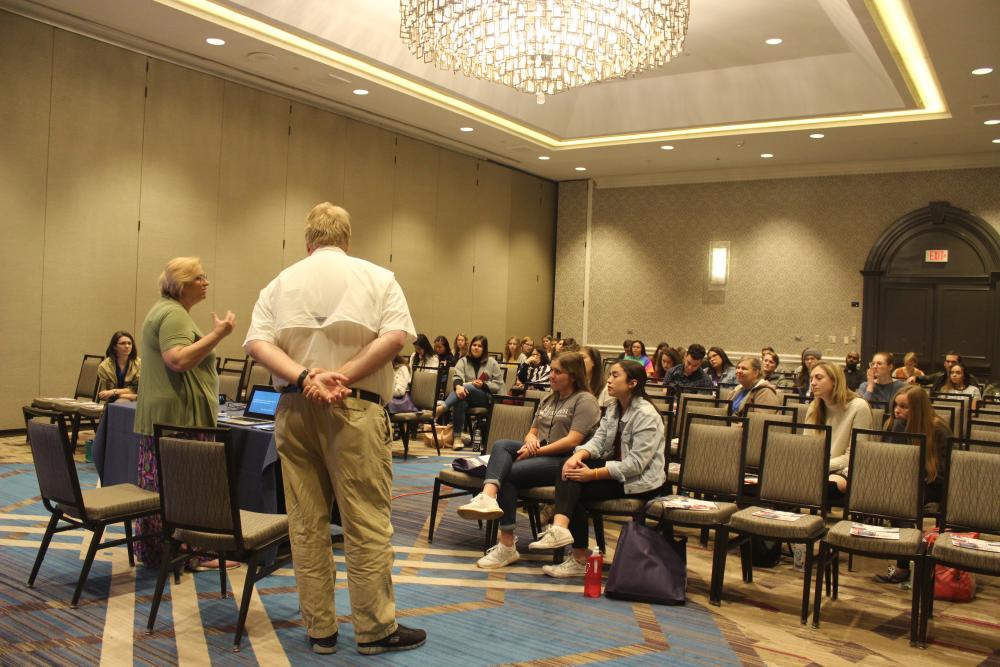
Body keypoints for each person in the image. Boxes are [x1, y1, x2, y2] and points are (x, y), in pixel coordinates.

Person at [244, 202, 425, 655]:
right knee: (365, 522)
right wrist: (341, 376)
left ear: (308, 242)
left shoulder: (279, 282)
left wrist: (306, 377)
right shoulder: (378, 277)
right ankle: (374, 630)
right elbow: (396, 337)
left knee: (306, 524)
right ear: (347, 240)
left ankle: (320, 630)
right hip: (355, 409)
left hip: (293, 408)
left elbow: (256, 343)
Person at [133, 257, 236, 570]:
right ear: (181, 284)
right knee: (187, 488)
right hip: (180, 418)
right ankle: (191, 552)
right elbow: (177, 360)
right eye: (199, 278)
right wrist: (218, 334)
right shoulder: (174, 314)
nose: (206, 283)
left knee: (162, 489)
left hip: (169, 415)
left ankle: (163, 551)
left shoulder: (165, 310)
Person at [456, 352, 601, 568]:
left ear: (572, 375)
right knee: (502, 444)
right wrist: (531, 439)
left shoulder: (585, 400)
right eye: (551, 370)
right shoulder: (548, 398)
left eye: (557, 372)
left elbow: (572, 441)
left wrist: (536, 452)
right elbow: (532, 431)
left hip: (566, 460)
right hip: (541, 452)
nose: (551, 375)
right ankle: (487, 495)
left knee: (510, 474)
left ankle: (506, 546)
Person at [527, 360, 666, 577]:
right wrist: (579, 455)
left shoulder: (646, 415)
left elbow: (636, 464)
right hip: (616, 470)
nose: (608, 380)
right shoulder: (613, 408)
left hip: (639, 481)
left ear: (632, 383)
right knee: (569, 469)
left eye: (615, 376)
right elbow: (599, 441)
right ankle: (564, 534)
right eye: (609, 375)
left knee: (576, 488)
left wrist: (592, 474)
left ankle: (576, 553)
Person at [875, 385, 951, 585]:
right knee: (896, 497)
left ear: (917, 409)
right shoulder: (896, 424)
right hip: (905, 482)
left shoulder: (938, 429)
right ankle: (906, 558)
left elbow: (944, 473)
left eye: (904, 407)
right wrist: (897, 428)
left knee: (900, 501)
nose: (897, 411)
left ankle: (903, 566)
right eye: (895, 406)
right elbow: (890, 459)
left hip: (934, 484)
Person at [806, 361, 873, 494]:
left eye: (818, 378)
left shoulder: (859, 407)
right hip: (817, 466)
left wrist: (818, 466)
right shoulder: (815, 406)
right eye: (811, 378)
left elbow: (855, 455)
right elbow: (807, 445)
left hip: (847, 468)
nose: (813, 383)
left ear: (835, 381)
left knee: (825, 485)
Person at [436, 335, 504, 449]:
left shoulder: (492, 362)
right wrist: (458, 387)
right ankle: (457, 438)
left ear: (484, 349)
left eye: (480, 346)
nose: (476, 348)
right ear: (470, 346)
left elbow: (498, 384)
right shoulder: (463, 361)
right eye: (474, 345)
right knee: (460, 400)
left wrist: (484, 385)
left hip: (484, 398)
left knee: (469, 387)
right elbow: (457, 376)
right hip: (464, 396)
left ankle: (443, 407)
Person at [96, 330, 141, 402]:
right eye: (122, 343)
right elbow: (105, 395)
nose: (127, 346)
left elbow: (136, 389)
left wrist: (113, 392)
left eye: (129, 343)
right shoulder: (104, 366)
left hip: (135, 403)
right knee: (120, 402)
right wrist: (129, 396)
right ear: (114, 346)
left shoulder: (139, 364)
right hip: (114, 402)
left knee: (121, 401)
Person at [913, 351, 981, 392]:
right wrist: (915, 378)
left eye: (953, 362)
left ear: (960, 364)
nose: (950, 364)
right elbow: (926, 379)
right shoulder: (940, 376)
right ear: (944, 364)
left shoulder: (970, 378)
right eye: (948, 361)